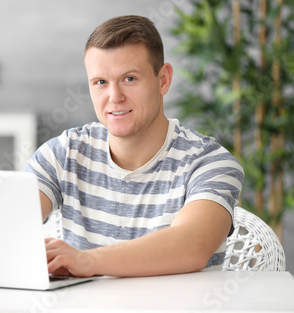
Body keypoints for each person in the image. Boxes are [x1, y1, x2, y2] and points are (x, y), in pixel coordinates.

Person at [25, 15, 244, 277]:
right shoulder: (64, 153)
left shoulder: (209, 162)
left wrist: (87, 261)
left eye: (129, 79)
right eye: (101, 82)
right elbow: (6, 224)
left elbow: (191, 245)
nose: (114, 97)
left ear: (163, 80)